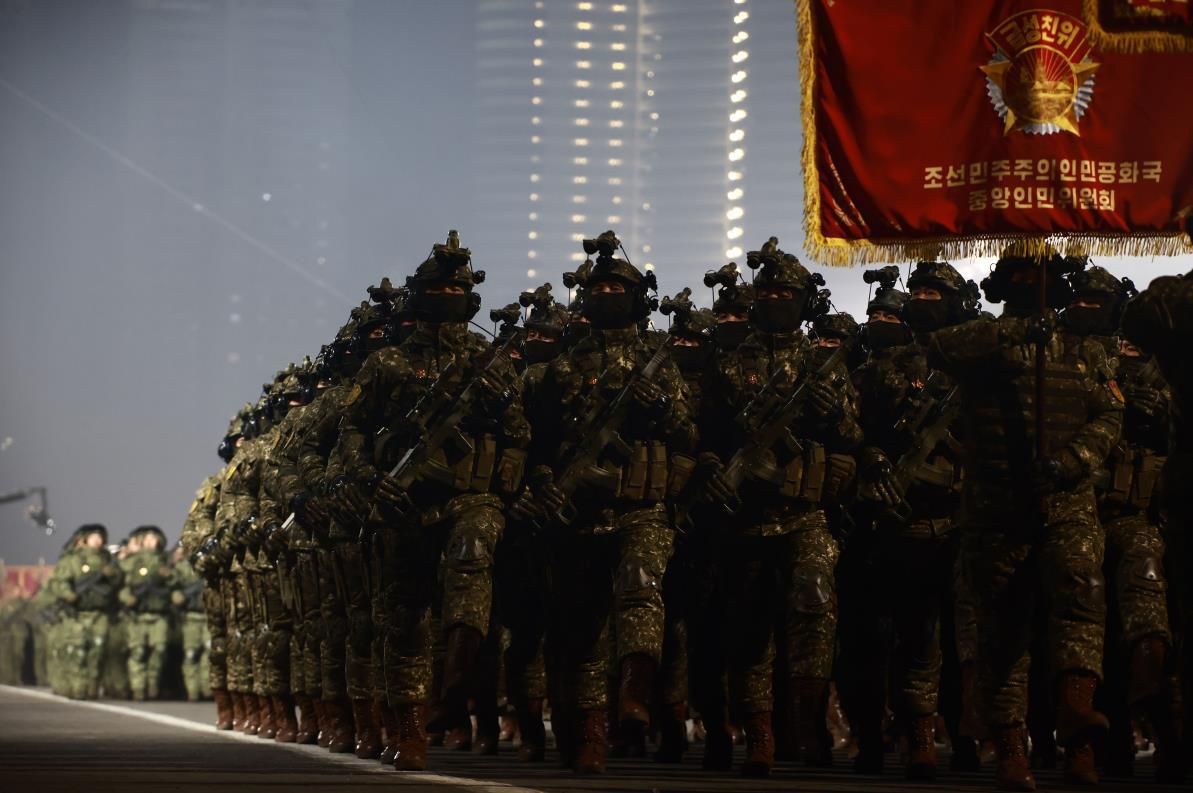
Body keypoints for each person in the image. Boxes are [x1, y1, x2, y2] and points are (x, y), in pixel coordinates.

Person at [923, 249, 1123, 790]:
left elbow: (1109, 414)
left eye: (1040, 275)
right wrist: (1012, 332)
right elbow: (940, 347)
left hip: (1067, 503)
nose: (1031, 282)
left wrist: (1071, 462)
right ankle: (1011, 748)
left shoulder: (1084, 349)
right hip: (996, 509)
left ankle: (1078, 726)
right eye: (1020, 275)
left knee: (1082, 596)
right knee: (1002, 633)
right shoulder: (983, 340)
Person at [513, 231, 695, 774]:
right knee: (582, 626)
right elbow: (534, 438)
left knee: (641, 589)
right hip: (579, 514)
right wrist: (542, 481)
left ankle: (634, 697)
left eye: (619, 288)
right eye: (601, 287)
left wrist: (661, 409)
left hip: (643, 509)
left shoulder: (660, 361)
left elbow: (687, 433)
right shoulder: (561, 365)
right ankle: (590, 731)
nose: (609, 294)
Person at [697, 238, 861, 777]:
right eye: (766, 293)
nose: (775, 301)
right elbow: (704, 431)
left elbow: (852, 435)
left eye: (785, 293)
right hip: (745, 517)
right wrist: (710, 467)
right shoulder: (727, 363)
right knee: (748, 630)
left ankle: (807, 719)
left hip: (804, 514)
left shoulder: (824, 363)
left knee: (815, 600)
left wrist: (832, 416)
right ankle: (760, 734)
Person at [47, 524, 123, 700]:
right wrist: (68, 594)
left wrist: (112, 574)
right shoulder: (73, 560)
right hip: (78, 613)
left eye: (100, 537)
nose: (98, 540)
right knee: (78, 651)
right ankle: (78, 688)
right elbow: (60, 581)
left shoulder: (107, 560)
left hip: (100, 613)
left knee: (98, 650)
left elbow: (117, 583)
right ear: (84, 539)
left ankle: (92, 687)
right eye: (94, 537)